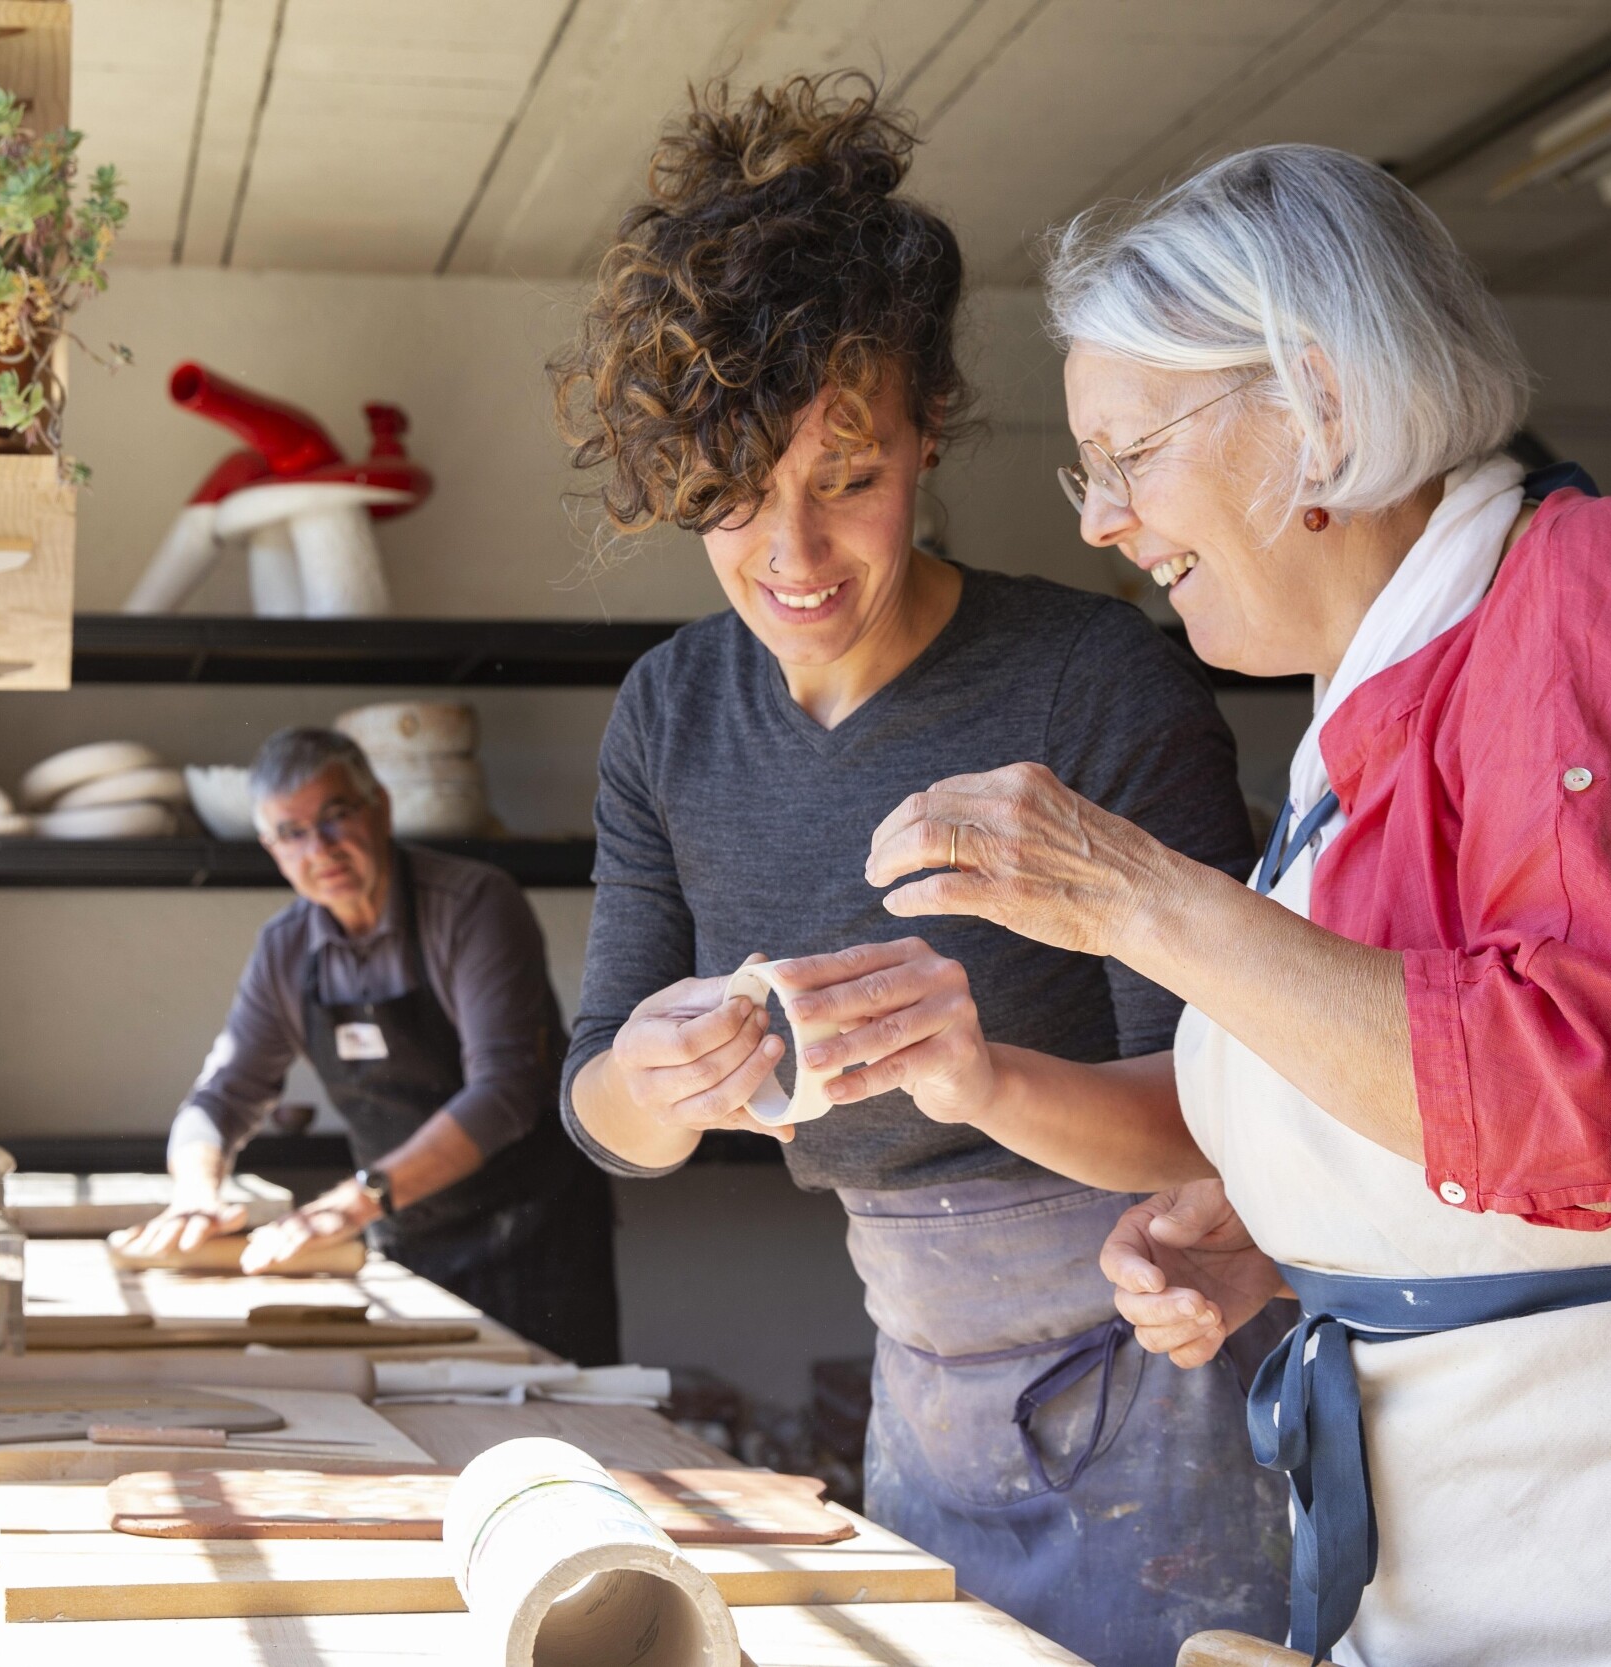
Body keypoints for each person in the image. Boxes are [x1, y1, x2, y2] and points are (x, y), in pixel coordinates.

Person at [832, 145, 1611, 1663]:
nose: (1102, 521)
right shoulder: (1356, 719)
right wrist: (1246, 1214)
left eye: (1131, 451)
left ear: (1316, 400)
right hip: (1499, 1575)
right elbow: (1346, 1090)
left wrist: (1136, 893)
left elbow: (1578, 1107)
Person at [552, 75, 1287, 1666]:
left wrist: (980, 1074)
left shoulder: (1092, 681)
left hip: (1163, 1352)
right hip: (916, 1377)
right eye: (734, 497)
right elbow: (597, 1111)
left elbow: (1233, 1111)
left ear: (930, 425)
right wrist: (661, 1078)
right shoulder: (671, 717)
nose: (794, 557)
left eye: (847, 474)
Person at [118, 727, 621, 1367]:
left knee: (557, 1447)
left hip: (531, 1234)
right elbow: (221, 1096)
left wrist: (353, 1201)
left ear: (378, 808)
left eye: (334, 818)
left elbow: (504, 1092)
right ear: (271, 849)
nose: (319, 849)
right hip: (403, 1237)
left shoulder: (472, 905)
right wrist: (195, 1190)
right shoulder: (285, 949)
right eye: (291, 834)